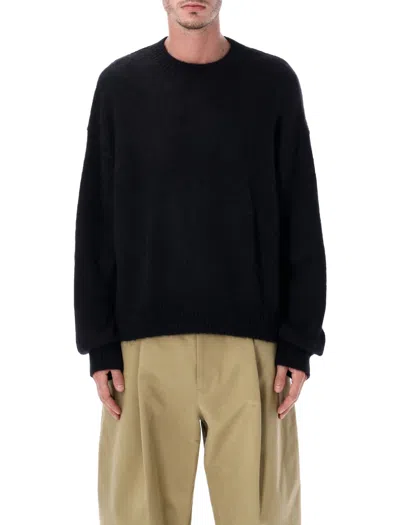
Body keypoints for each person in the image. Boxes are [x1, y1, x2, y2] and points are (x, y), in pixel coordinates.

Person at [73, 1, 327, 523]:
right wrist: (99, 340)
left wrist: (300, 339)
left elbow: (301, 214)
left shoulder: (273, 84)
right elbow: (96, 220)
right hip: (142, 350)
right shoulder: (120, 87)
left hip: (253, 350)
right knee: (138, 515)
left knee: (261, 514)